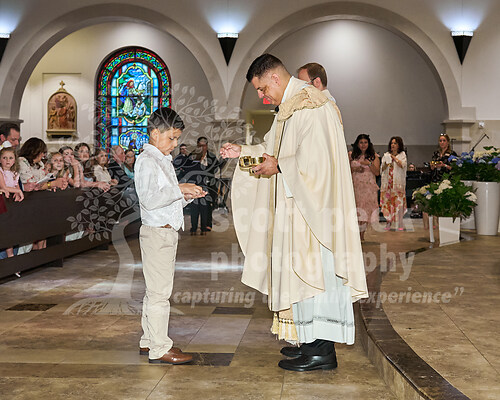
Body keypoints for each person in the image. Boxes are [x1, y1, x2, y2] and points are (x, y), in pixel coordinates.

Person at [220, 54, 367, 372]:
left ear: (274, 78)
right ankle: (310, 343)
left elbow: (318, 162)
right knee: (301, 277)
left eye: (262, 89)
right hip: (296, 209)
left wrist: (280, 165)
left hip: (314, 214)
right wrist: (243, 151)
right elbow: (273, 149)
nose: (262, 97)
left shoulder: (312, 104)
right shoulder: (290, 107)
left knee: (317, 276)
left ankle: (322, 352)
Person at [135, 106, 206, 364]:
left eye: (177, 138)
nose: (175, 144)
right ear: (155, 134)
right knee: (160, 294)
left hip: (164, 232)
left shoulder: (161, 159)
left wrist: (186, 195)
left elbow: (165, 200)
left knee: (154, 290)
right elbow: (149, 200)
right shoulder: (147, 160)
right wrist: (179, 188)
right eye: (171, 138)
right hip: (157, 234)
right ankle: (160, 348)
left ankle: (148, 340)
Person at [186, 137, 226, 235]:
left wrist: (224, 159)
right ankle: (194, 227)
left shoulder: (211, 156)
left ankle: (206, 226)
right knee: (195, 207)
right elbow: (187, 168)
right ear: (197, 145)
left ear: (207, 146)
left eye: (204, 146)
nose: (202, 148)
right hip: (195, 185)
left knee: (208, 206)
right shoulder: (192, 155)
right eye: (200, 145)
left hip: (209, 185)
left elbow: (217, 167)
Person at [349, 134, 380, 241]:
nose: (363, 145)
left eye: (365, 142)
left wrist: (369, 164)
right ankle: (355, 235)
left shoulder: (373, 156)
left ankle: (361, 235)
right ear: (357, 144)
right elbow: (345, 170)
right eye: (361, 142)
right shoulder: (351, 155)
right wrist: (355, 169)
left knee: (365, 211)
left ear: (368, 144)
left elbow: (377, 172)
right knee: (356, 210)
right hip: (356, 186)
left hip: (368, 188)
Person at [380, 136, 407, 231]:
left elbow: (402, 165)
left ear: (399, 145)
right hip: (387, 184)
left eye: (395, 143)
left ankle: (400, 223)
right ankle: (388, 222)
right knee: (387, 203)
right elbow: (382, 169)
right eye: (392, 143)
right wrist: (386, 163)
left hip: (397, 184)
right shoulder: (386, 155)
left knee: (398, 203)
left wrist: (393, 158)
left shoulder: (402, 155)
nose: (393, 145)